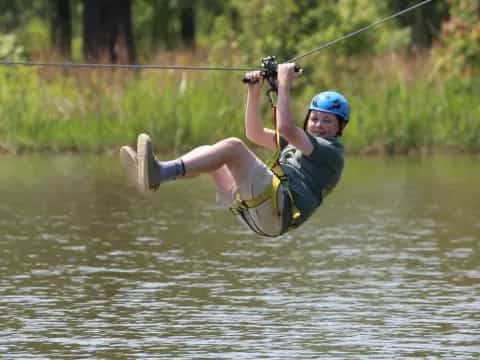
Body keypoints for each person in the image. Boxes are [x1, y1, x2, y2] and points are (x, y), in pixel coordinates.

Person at [120, 63, 349, 237]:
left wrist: (284, 85)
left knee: (232, 147)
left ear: (340, 127)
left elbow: (286, 127)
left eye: (327, 121)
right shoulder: (301, 143)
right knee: (208, 152)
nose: (318, 125)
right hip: (259, 212)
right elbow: (255, 134)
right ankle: (156, 176)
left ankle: (158, 172)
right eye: (315, 118)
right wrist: (254, 91)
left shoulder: (331, 152)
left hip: (277, 210)